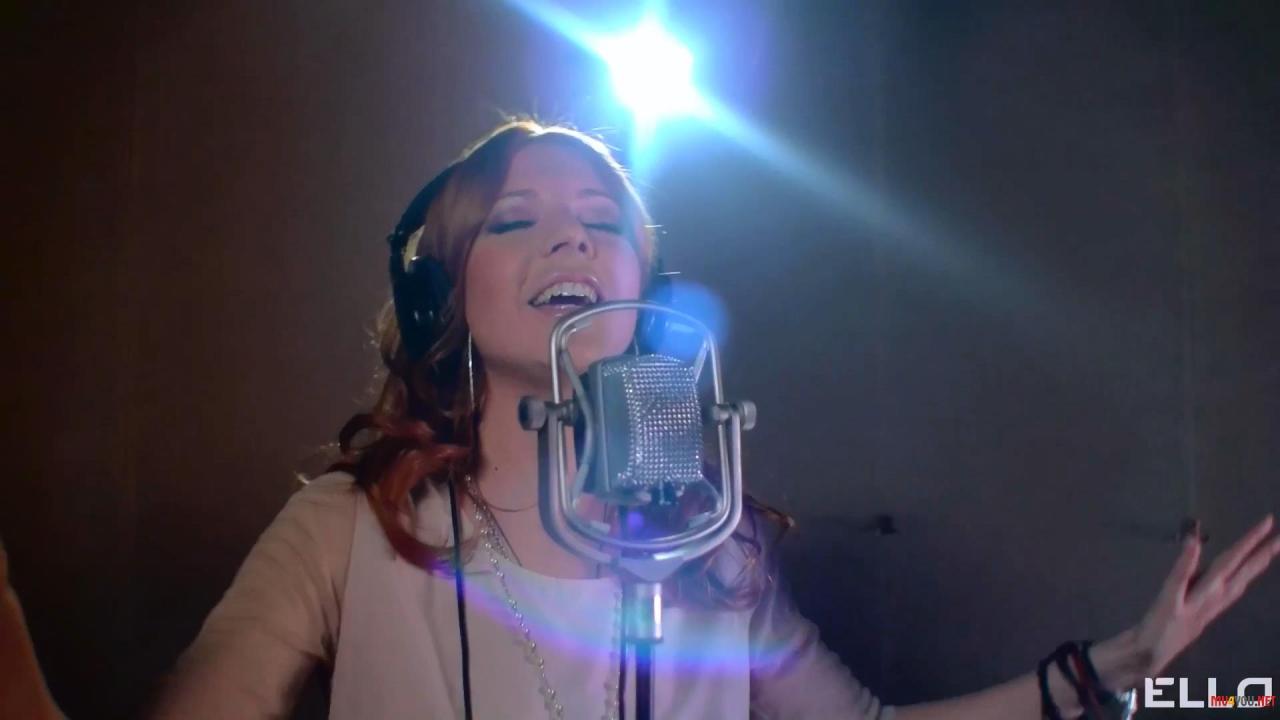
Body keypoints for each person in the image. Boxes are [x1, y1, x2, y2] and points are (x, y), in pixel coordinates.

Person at [150, 119, 1280, 719]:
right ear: (439, 294)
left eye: (602, 220)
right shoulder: (346, 534)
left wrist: (1116, 663)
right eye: (515, 220)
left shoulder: (711, 548)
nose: (572, 237)